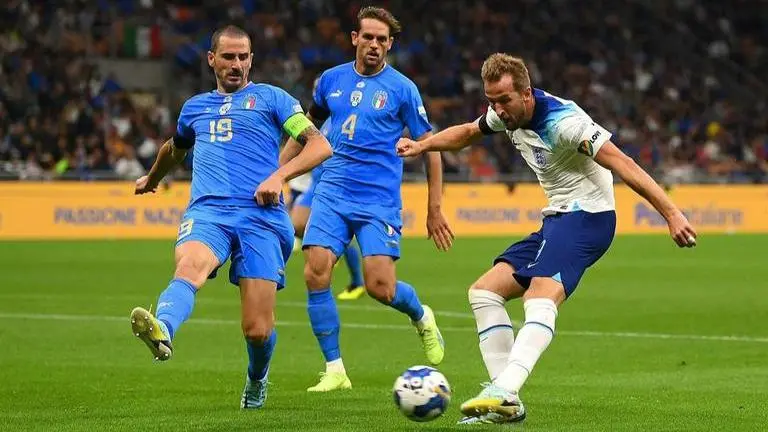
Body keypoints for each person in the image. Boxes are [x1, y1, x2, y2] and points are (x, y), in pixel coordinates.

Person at [397, 53, 698, 424]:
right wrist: (423, 146)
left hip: (589, 216)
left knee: (541, 293)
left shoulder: (565, 123)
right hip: (556, 218)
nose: (498, 109)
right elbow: (468, 133)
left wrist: (671, 213)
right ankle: (505, 401)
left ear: (526, 94)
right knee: (484, 292)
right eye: (491, 101)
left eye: (504, 100)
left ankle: (504, 390)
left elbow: (624, 163)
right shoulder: (506, 113)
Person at [129, 25, 332, 410]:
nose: (236, 64)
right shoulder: (194, 108)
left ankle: (257, 380)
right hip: (208, 212)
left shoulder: (273, 100)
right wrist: (151, 179)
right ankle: (163, 331)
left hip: (262, 218)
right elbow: (176, 149)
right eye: (228, 57)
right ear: (212, 60)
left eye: (243, 57)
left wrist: (278, 175)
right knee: (189, 267)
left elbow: (320, 146)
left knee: (257, 330)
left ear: (251, 59)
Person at [280, 6, 455, 393]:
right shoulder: (330, 81)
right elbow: (304, 129)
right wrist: (278, 173)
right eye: (368, 37)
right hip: (333, 190)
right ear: (354, 38)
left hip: (378, 200)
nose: (375, 44)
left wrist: (434, 209)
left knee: (380, 287)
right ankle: (335, 369)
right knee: (315, 270)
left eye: (382, 39)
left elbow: (432, 147)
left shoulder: (403, 89)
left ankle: (421, 315)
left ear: (390, 45)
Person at [286, 104, 366, 300]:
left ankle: (356, 282)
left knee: (337, 232)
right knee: (295, 224)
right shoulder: (326, 122)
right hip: (317, 181)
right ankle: (329, 250)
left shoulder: (348, 119)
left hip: (335, 183)